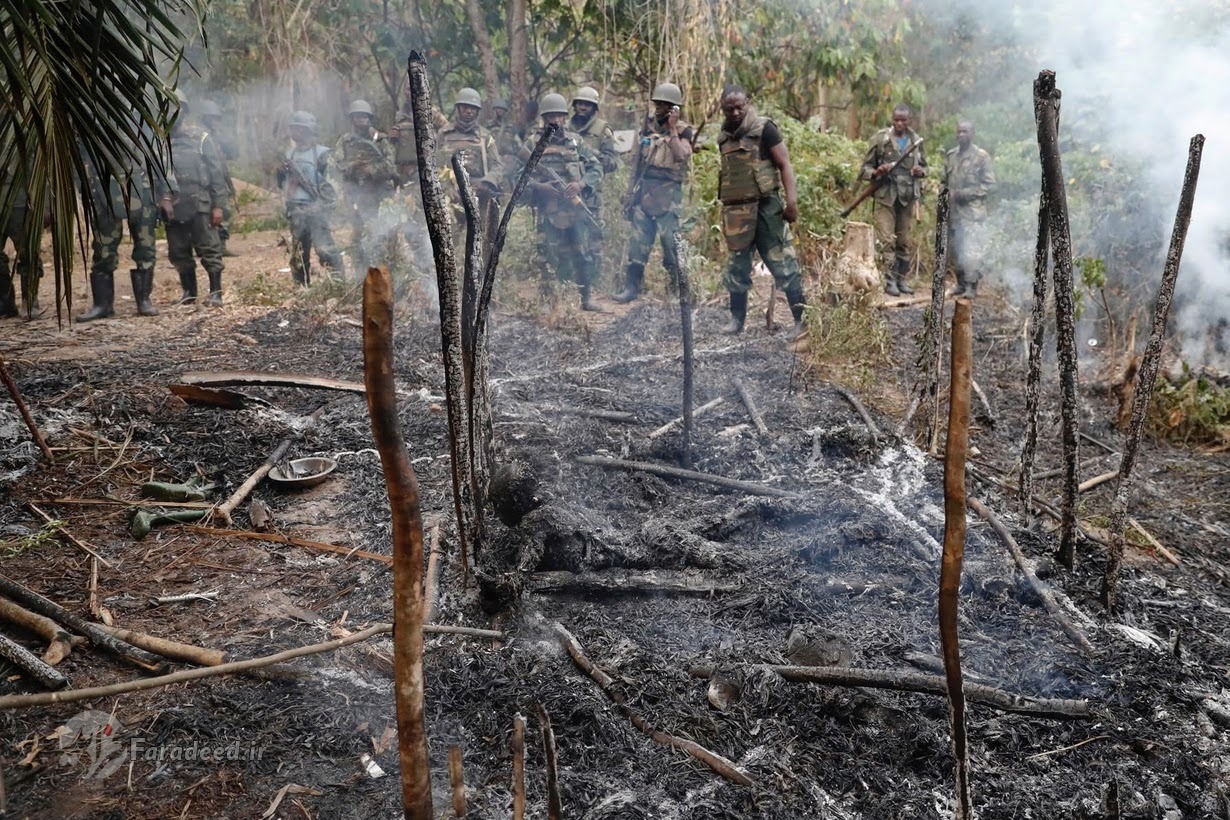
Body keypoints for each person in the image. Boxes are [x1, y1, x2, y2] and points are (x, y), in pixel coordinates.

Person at [715, 85, 807, 336]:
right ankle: (736, 320)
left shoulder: (765, 128)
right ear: (722, 108)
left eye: (739, 106)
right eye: (729, 108)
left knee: (783, 265)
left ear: (748, 102)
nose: (734, 112)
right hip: (736, 211)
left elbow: (784, 163)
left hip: (767, 207)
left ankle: (801, 322)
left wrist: (791, 202)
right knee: (736, 266)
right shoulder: (723, 137)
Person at [520, 93, 604, 311]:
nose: (555, 120)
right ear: (544, 118)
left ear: (565, 118)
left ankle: (585, 299)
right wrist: (540, 188)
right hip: (548, 210)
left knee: (582, 254)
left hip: (575, 209)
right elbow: (519, 176)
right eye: (551, 116)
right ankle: (549, 302)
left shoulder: (576, 142)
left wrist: (582, 184)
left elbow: (596, 167)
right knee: (547, 256)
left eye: (559, 116)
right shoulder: (532, 143)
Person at [613, 82, 693, 303]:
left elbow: (681, 155)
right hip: (645, 192)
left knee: (671, 244)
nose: (660, 108)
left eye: (666, 105)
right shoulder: (646, 127)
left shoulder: (684, 129)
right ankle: (632, 288)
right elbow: (636, 162)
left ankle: (678, 289)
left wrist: (673, 128)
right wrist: (630, 192)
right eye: (658, 103)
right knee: (638, 243)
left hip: (669, 195)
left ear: (675, 108)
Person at [77, 140, 167, 321]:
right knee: (103, 248)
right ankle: (102, 305)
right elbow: (78, 158)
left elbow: (159, 156)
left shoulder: (142, 121)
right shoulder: (94, 119)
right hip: (102, 190)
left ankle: (144, 301)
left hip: (143, 189)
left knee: (146, 247)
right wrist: (82, 187)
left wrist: (165, 193)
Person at [164, 92, 229, 307]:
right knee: (178, 251)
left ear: (185, 111)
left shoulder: (201, 138)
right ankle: (189, 293)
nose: (173, 112)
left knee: (210, 249)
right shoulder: (160, 141)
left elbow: (217, 175)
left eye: (178, 107)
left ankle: (216, 293)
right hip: (173, 206)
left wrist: (219, 206)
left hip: (201, 203)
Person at [859, 103, 927, 296]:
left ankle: (901, 279)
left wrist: (920, 171)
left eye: (903, 120)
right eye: (896, 119)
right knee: (886, 239)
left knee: (903, 241)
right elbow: (864, 169)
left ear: (909, 120)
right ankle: (889, 281)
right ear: (892, 119)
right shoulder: (881, 139)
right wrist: (876, 172)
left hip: (906, 198)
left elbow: (926, 167)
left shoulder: (916, 140)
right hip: (885, 196)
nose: (899, 123)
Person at [277, 110, 343, 286]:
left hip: (316, 207)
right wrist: (281, 173)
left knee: (325, 249)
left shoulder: (323, 153)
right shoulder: (289, 154)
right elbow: (282, 184)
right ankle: (301, 288)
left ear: (307, 130)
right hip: (296, 208)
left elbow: (332, 185)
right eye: (292, 128)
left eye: (297, 128)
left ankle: (338, 284)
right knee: (298, 252)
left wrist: (323, 207)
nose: (293, 132)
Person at [334, 99, 397, 272]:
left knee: (385, 235)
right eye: (357, 116)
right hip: (358, 196)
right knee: (358, 238)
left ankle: (388, 274)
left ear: (369, 118)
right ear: (352, 119)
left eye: (364, 116)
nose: (361, 119)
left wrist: (371, 170)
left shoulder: (381, 140)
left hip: (381, 195)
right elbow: (337, 165)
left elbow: (391, 166)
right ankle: (360, 276)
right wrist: (353, 167)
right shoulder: (345, 142)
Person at [569, 86, 619, 285]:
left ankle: (593, 282)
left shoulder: (603, 130)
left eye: (587, 104)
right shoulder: (566, 126)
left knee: (593, 238)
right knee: (569, 235)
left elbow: (613, 163)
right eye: (579, 103)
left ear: (594, 107)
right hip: (568, 191)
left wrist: (591, 155)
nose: (582, 107)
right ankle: (572, 281)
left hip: (591, 192)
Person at [436, 88, 504, 230]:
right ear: (458, 108)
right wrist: (447, 189)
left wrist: (486, 183)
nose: (469, 111)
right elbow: (435, 167)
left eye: (473, 108)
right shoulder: (444, 134)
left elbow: (497, 166)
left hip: (480, 196)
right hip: (451, 198)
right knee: (450, 242)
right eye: (465, 107)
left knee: (482, 242)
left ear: (477, 111)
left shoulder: (486, 136)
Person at [942, 121, 995, 298]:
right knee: (956, 249)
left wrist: (964, 194)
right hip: (954, 212)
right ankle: (960, 283)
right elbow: (944, 182)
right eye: (958, 132)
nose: (960, 135)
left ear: (972, 133)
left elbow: (989, 185)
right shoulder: (951, 156)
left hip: (972, 212)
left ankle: (971, 286)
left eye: (964, 131)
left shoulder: (981, 157)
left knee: (971, 249)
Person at [0, 172, 46, 319]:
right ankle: (5, 303)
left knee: (28, 254)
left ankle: (30, 303)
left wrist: (46, 206)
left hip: (21, 203)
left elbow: (44, 166)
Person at [198, 99, 239, 257]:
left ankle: (220, 246)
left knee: (224, 212)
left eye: (216, 118)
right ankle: (208, 246)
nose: (215, 121)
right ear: (204, 118)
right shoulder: (199, 136)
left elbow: (228, 157)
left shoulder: (217, 137)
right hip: (205, 182)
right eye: (211, 117)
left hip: (219, 180)